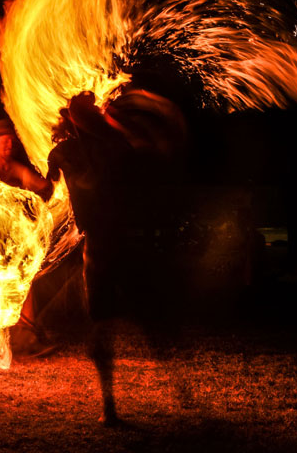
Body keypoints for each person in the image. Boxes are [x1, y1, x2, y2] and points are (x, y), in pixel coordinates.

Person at [47, 89, 188, 425]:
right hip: (116, 242)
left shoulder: (68, 151)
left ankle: (115, 406)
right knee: (134, 320)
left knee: (112, 323)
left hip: (103, 245)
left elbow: (46, 187)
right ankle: (173, 391)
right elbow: (148, 153)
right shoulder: (111, 147)